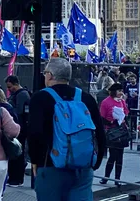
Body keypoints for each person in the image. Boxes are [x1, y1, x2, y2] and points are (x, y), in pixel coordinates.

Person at [27, 58, 105, 201]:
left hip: (50, 166)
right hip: (83, 167)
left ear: (50, 75)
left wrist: (35, 160)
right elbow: (99, 132)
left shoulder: (40, 98)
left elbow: (35, 133)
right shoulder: (86, 98)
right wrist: (96, 161)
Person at [99, 82, 129, 187]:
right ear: (114, 92)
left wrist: (123, 117)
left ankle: (117, 178)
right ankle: (106, 176)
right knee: (113, 156)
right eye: (119, 91)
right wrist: (111, 121)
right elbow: (102, 117)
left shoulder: (122, 102)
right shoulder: (106, 102)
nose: (121, 93)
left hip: (121, 130)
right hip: (111, 131)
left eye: (122, 91)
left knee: (120, 156)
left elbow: (126, 113)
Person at [4, 75, 30, 186]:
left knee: (18, 154)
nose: (9, 89)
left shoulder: (22, 95)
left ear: (15, 83)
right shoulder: (20, 94)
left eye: (10, 87)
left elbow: (19, 112)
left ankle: (17, 178)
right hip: (18, 128)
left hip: (20, 129)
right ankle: (14, 177)